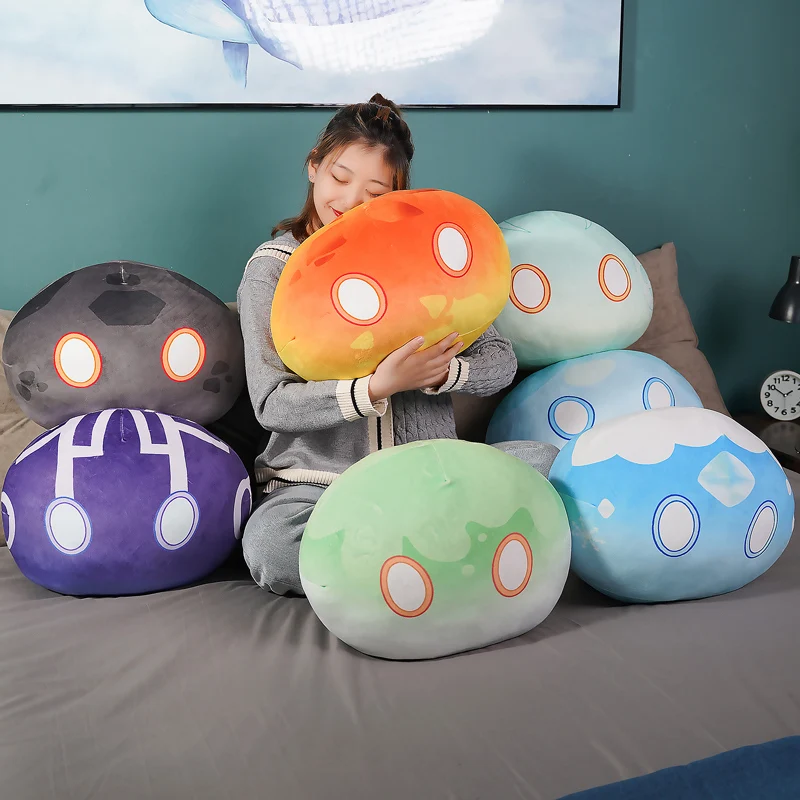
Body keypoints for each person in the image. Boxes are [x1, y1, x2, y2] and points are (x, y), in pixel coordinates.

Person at [237, 93, 557, 596]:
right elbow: (271, 403)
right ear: (314, 166)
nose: (348, 202)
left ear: (395, 194)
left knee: (553, 466)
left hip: (427, 477)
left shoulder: (423, 257)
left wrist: (441, 372)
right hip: (318, 490)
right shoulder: (272, 270)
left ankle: (401, 565)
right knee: (271, 548)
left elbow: (500, 363)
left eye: (373, 192)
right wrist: (374, 388)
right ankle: (440, 557)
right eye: (340, 178)